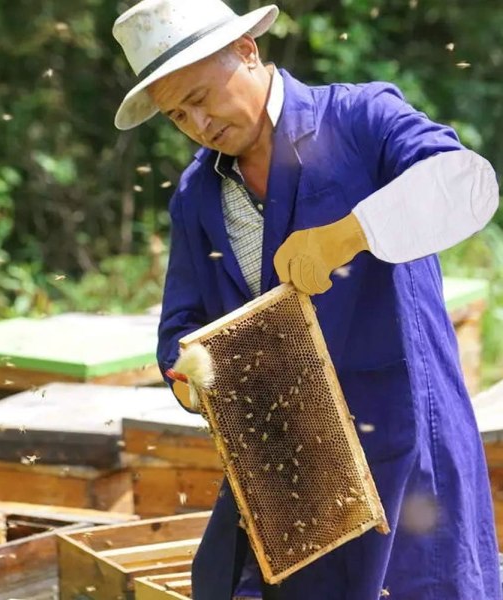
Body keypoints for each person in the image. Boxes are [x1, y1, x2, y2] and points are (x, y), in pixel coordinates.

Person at [113, 0, 501, 598]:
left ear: (247, 50)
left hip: (407, 447)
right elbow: (182, 323)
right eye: (177, 115)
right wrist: (189, 378)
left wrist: (347, 235)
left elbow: (467, 183)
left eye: (201, 95)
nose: (197, 121)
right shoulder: (197, 193)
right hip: (293, 467)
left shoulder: (361, 118)